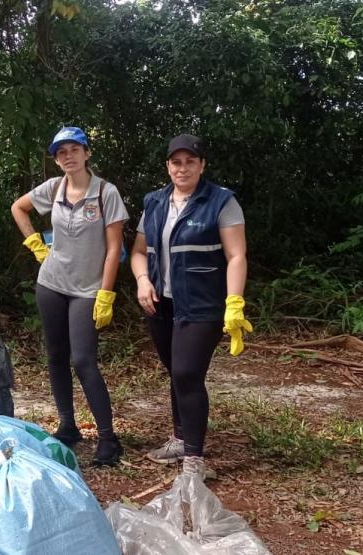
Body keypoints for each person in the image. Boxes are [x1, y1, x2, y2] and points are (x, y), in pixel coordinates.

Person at [130, 133, 252, 480]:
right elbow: (139, 252)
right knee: (177, 373)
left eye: (190, 162)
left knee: (187, 373)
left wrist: (234, 303)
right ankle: (180, 439)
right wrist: (142, 280)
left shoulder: (221, 201)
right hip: (161, 303)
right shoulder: (154, 202)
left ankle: (195, 459)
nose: (182, 168)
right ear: (168, 166)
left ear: (202, 165)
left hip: (202, 304)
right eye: (176, 162)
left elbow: (236, 255)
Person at [10, 126, 128, 466]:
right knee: (56, 356)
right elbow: (19, 208)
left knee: (83, 360)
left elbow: (114, 247)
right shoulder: (53, 188)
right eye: (61, 152)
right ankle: (68, 425)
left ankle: (108, 438)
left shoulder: (106, 192)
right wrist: (35, 243)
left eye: (74, 149)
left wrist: (106, 292)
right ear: (57, 159)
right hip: (51, 283)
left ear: (86, 152)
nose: (68, 156)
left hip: (88, 289)